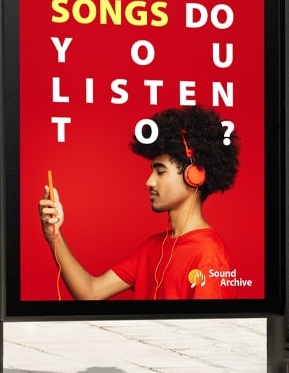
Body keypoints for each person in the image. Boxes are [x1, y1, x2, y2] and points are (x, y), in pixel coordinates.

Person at [37, 105, 239, 300]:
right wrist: (54, 236)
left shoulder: (210, 257)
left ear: (194, 176)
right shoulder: (151, 248)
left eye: (160, 171)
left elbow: (210, 332)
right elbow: (90, 293)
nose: (149, 181)